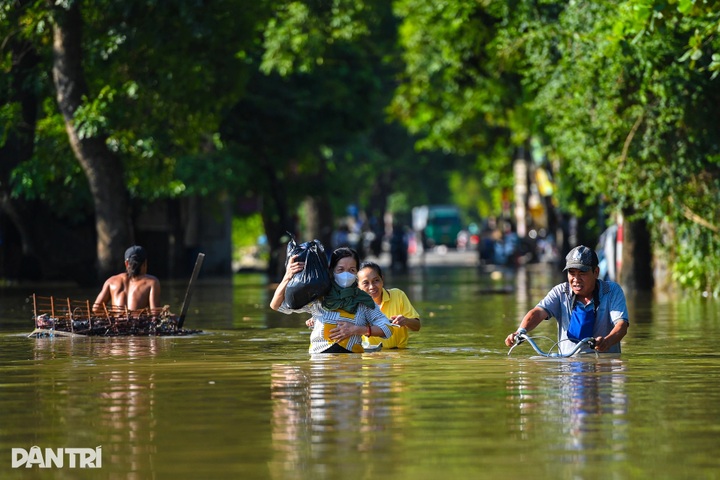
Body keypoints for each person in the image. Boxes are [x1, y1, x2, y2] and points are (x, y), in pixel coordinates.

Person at [504, 245, 629, 356]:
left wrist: (606, 341)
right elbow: (538, 312)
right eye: (572, 273)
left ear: (596, 272)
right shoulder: (560, 292)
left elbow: (621, 326)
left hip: (603, 369)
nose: (576, 279)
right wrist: (520, 331)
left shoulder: (611, 291)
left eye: (582, 273)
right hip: (568, 370)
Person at [270, 246, 393, 354]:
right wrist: (287, 276)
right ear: (331, 271)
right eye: (340, 270)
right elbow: (276, 305)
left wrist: (357, 329)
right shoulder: (319, 297)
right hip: (320, 366)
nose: (346, 275)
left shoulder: (363, 301)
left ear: (357, 273)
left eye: (352, 270)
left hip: (352, 370)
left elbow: (387, 327)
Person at [357, 261, 420, 349]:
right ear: (357, 286)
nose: (372, 287)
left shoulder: (398, 295)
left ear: (382, 280)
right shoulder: (355, 305)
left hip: (399, 356)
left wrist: (406, 321)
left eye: (376, 280)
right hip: (369, 357)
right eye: (366, 283)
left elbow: (417, 326)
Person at [93, 245, 161, 313]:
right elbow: (155, 313)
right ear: (145, 263)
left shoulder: (111, 281)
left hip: (117, 322)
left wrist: (111, 315)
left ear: (126, 263)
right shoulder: (152, 282)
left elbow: (96, 309)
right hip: (137, 323)